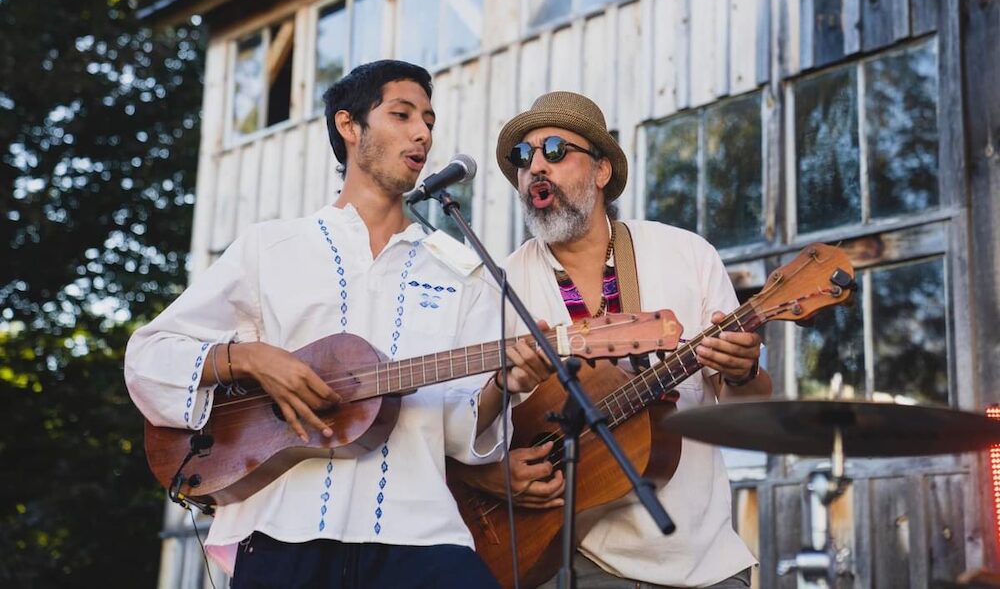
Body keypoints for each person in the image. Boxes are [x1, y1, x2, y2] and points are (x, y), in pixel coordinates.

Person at [124, 60, 550, 588]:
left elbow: (462, 432)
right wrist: (249, 358)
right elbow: (149, 356)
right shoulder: (272, 246)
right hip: (282, 528)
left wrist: (505, 387)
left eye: (429, 121)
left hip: (420, 533)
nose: (422, 132)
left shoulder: (460, 271)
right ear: (349, 126)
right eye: (402, 114)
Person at [461, 91, 772, 588]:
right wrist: (495, 456)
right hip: (569, 556)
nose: (535, 166)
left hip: (703, 559)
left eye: (556, 150)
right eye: (523, 157)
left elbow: (752, 409)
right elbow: (458, 425)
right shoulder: (496, 285)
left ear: (602, 170)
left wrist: (744, 369)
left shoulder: (686, 255)